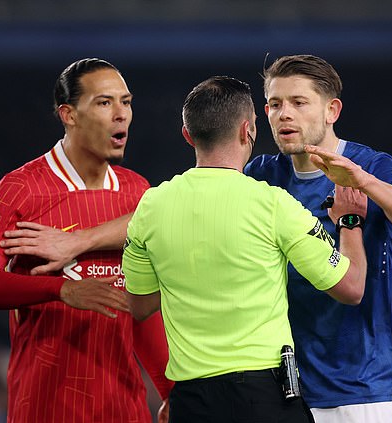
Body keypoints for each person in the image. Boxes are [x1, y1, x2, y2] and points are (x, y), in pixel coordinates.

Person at [121, 75, 368, 423]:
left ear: (188, 135)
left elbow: (140, 304)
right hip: (264, 397)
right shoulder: (272, 204)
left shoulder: (150, 207)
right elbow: (351, 286)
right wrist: (350, 223)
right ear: (247, 131)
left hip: (190, 402)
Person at [243, 54, 392, 422]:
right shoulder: (261, 174)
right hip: (286, 392)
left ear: (332, 111)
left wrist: (365, 184)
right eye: (275, 105)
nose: (284, 115)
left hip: (362, 391)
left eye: (299, 102)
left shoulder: (371, 166)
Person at [0, 58, 172, 423]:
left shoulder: (137, 191)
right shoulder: (22, 188)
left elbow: (139, 305)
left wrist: (169, 389)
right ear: (68, 114)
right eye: (105, 102)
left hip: (124, 408)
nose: (121, 114)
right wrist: (61, 290)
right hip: (44, 407)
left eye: (126, 101)